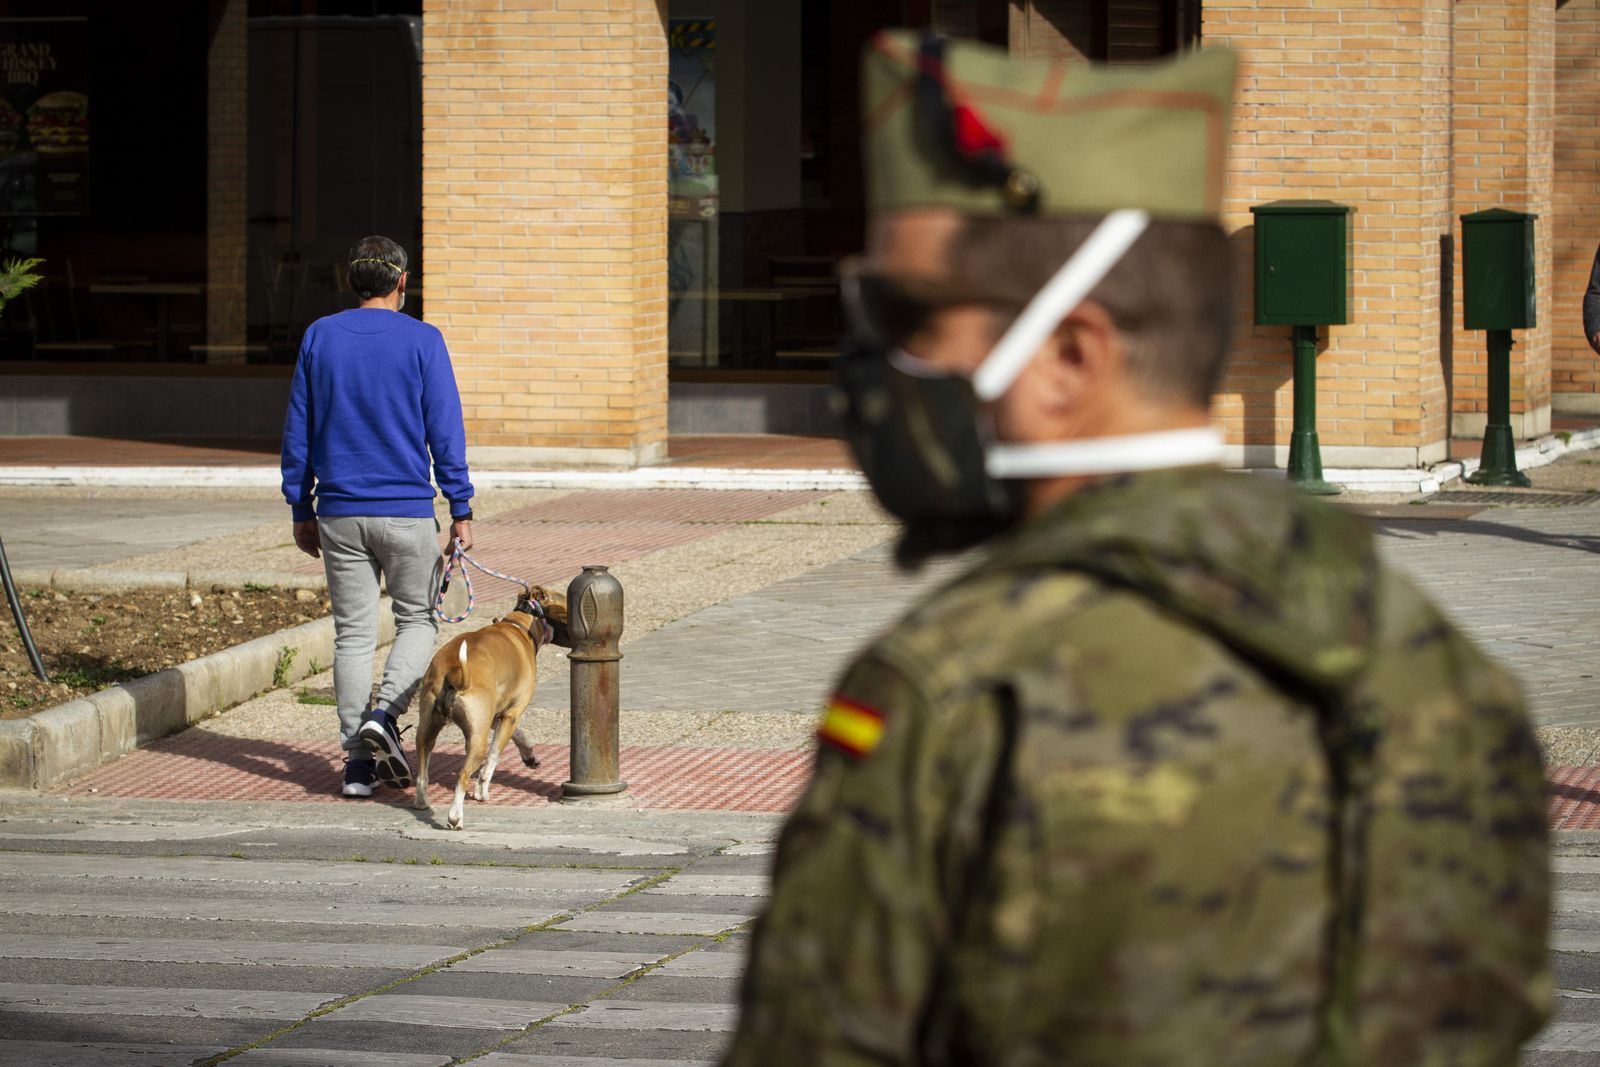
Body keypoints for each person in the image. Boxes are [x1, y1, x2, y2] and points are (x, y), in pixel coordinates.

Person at [723, 32, 1551, 1065]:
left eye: (905, 317)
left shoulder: (957, 696)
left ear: (1068, 355)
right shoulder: (1444, 674)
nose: (872, 364)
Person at [280, 235, 475, 798]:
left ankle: (356, 766)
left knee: (353, 636)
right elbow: (446, 430)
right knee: (417, 621)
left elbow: (299, 430)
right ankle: (385, 716)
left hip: (339, 514)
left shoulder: (320, 336)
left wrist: (301, 505)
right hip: (407, 513)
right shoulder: (423, 340)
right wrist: (460, 506)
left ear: (352, 282)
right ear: (402, 283)